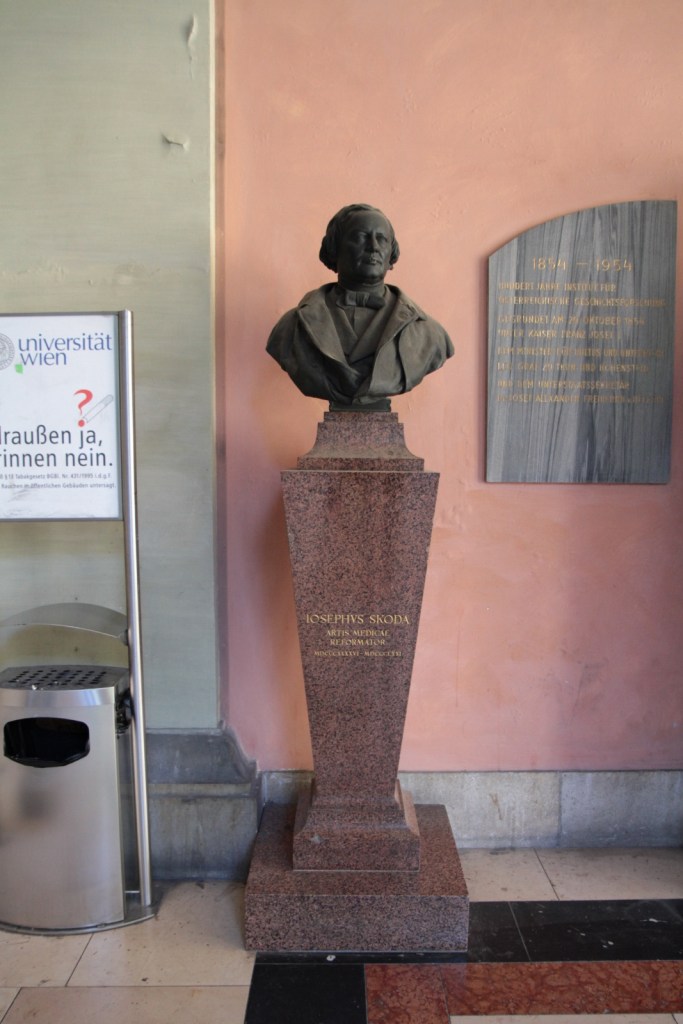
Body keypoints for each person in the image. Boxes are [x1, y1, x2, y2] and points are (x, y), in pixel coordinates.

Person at [266, 204, 453, 409]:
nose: (373, 247)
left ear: (391, 253)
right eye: (361, 237)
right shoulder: (292, 327)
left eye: (382, 239)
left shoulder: (428, 333)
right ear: (335, 249)